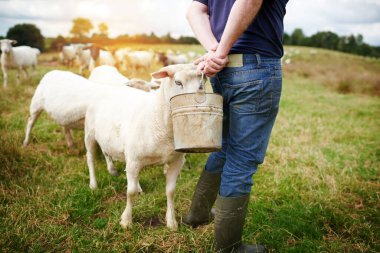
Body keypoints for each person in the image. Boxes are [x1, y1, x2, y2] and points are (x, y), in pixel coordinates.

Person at [184, 0, 289, 252]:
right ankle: (229, 247)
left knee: (224, 146)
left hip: (223, 70)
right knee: (241, 158)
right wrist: (219, 52)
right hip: (255, 66)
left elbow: (195, 10)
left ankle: (196, 215)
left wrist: (215, 50)